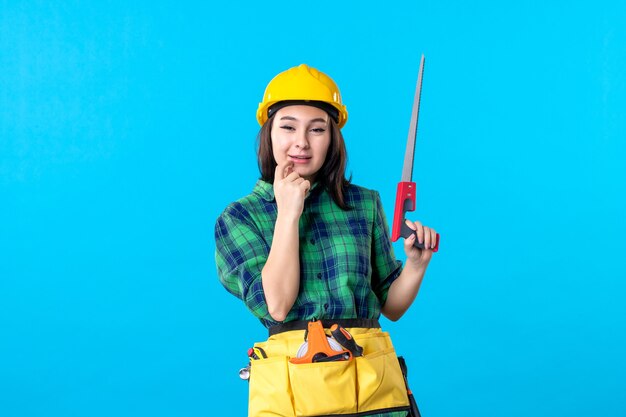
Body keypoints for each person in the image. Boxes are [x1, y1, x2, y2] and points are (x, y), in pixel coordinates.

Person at [215, 64, 437, 417]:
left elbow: (390, 307)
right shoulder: (240, 218)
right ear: (268, 133)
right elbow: (277, 306)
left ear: (333, 138)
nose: (301, 142)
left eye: (317, 129)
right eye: (288, 127)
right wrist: (288, 213)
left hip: (372, 393)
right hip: (296, 396)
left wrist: (416, 264)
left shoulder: (363, 203)